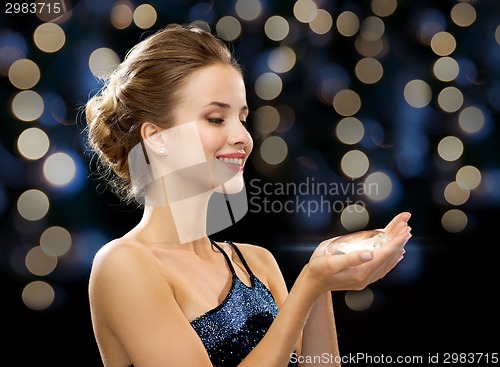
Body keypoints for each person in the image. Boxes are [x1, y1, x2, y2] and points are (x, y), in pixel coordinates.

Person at [85, 23, 412, 367]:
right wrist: (308, 286)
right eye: (215, 118)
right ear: (156, 137)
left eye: (242, 118)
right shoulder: (123, 265)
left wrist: (322, 283)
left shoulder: (257, 263)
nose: (242, 136)